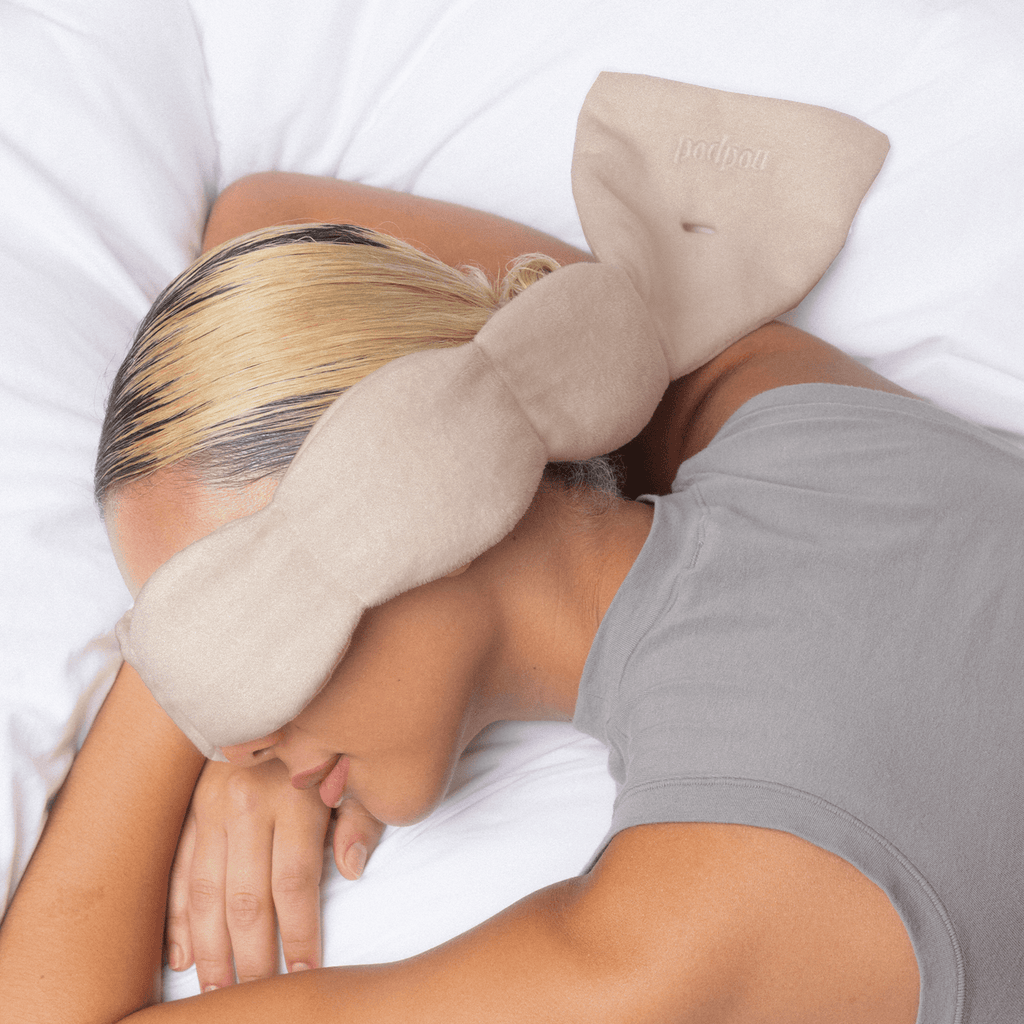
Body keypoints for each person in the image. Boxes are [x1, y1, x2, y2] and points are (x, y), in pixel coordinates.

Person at [2, 172, 1021, 1024]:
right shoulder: (782, 405)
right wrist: (267, 700)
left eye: (222, 629)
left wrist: (225, 704)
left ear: (408, 493)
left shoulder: (684, 926)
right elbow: (261, 224)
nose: (228, 740)